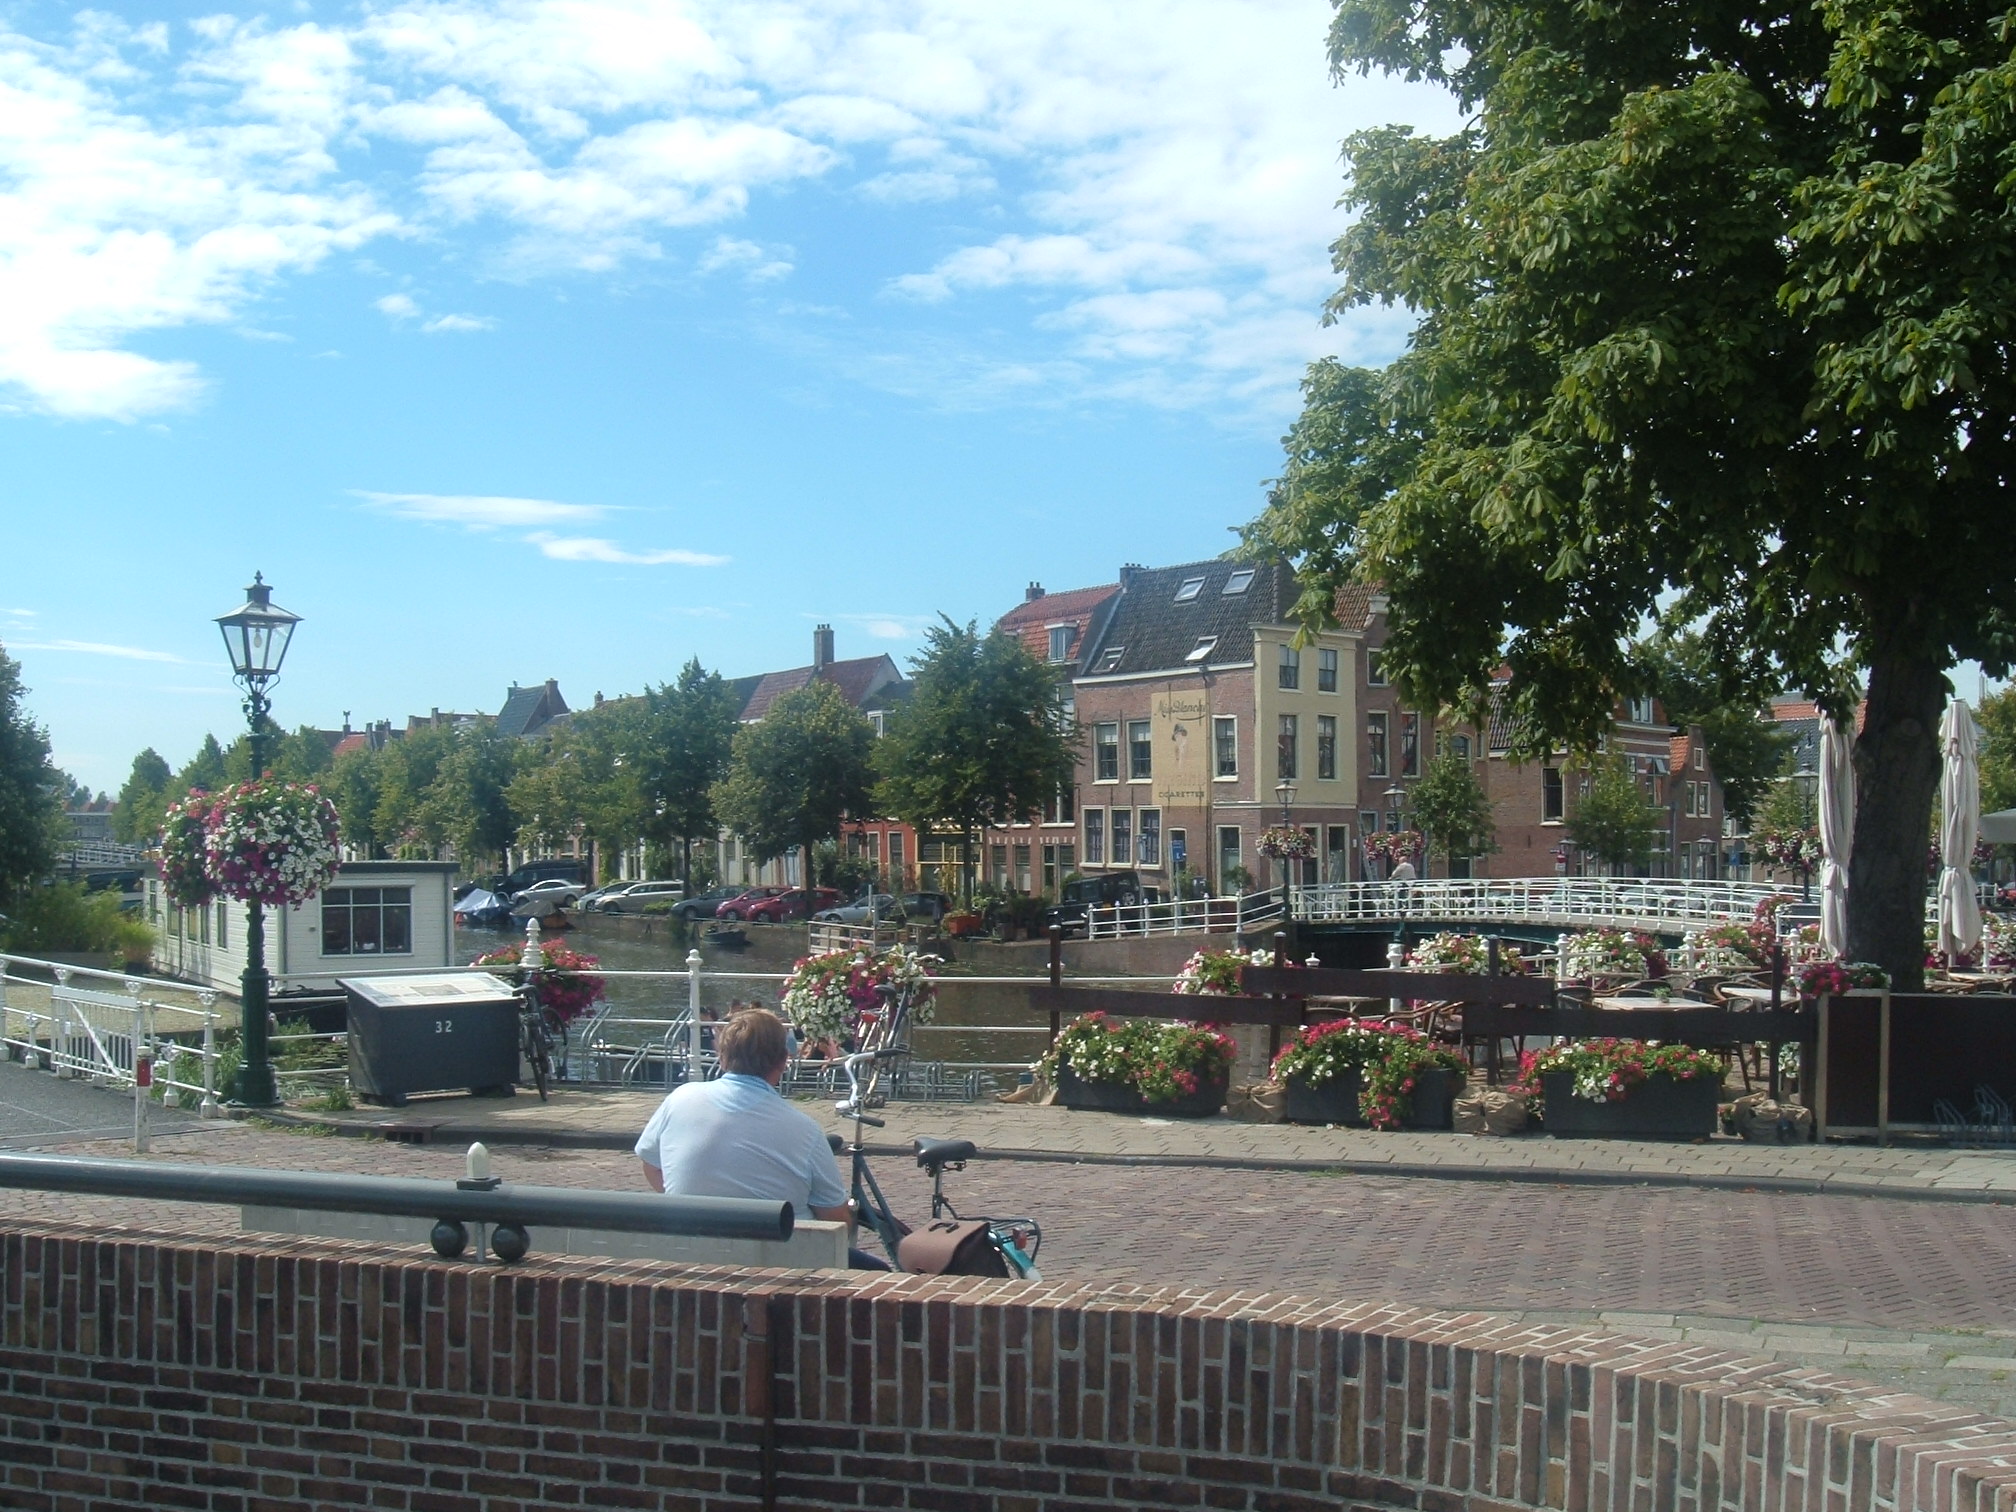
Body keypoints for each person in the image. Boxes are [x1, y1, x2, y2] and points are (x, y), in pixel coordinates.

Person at [634, 1007, 887, 1269]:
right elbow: (836, 1221)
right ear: (783, 1061)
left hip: (693, 1258)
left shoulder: (680, 1099)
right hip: (778, 1265)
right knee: (879, 1272)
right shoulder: (804, 1130)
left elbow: (651, 1166)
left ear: (722, 1058)